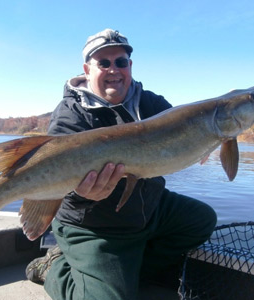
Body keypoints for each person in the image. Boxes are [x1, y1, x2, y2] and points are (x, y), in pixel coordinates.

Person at [26, 28, 217, 300]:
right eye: (103, 63)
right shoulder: (70, 116)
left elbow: (184, 134)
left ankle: (131, 269)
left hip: (148, 210)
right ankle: (53, 267)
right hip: (94, 226)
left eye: (120, 62)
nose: (113, 69)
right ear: (87, 69)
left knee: (201, 220)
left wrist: (210, 135)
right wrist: (83, 196)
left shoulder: (153, 103)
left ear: (130, 66)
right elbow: (58, 189)